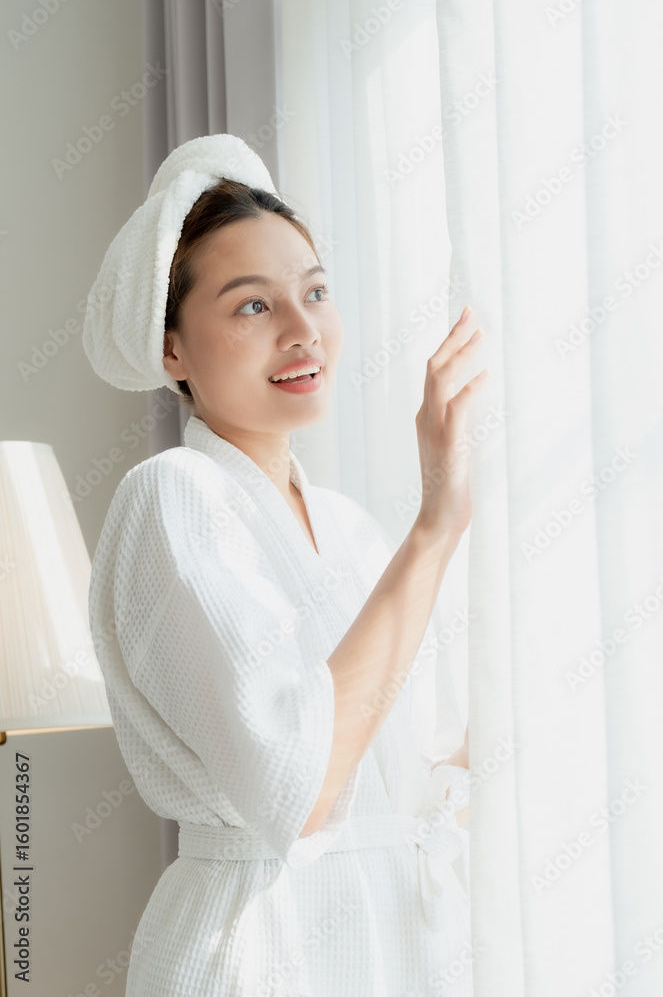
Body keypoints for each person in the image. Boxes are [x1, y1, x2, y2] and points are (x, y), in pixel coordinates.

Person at [83, 134, 488, 997]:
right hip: (256, 949)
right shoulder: (171, 497)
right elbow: (298, 794)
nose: (304, 332)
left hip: (390, 943)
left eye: (314, 292)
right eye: (253, 306)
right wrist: (435, 526)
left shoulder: (351, 531)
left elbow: (432, 771)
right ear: (171, 350)